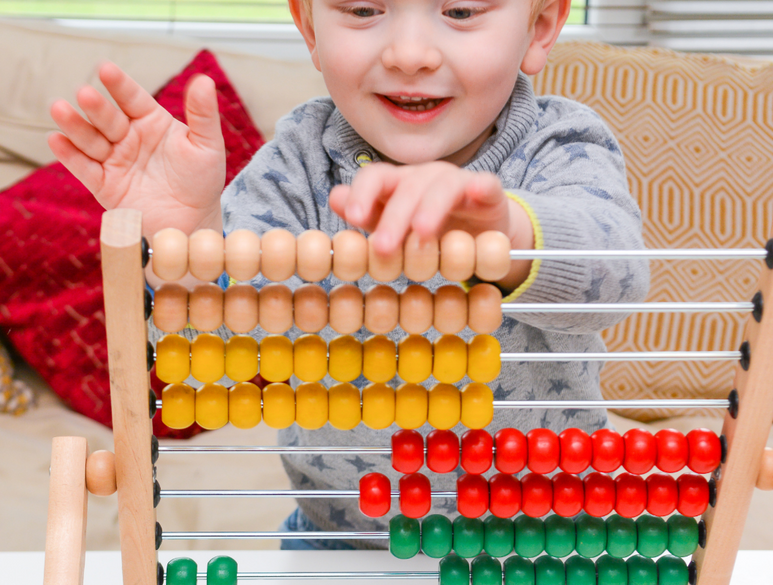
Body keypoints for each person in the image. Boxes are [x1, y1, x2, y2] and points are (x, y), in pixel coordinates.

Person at [48, 0, 650, 551]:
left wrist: (508, 236)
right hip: (340, 540)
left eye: (461, 10)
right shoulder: (299, 162)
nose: (408, 55)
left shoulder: (558, 145)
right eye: (364, 9)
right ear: (310, 27)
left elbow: (617, 277)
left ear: (538, 28)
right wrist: (195, 241)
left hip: (547, 541)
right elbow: (234, 349)